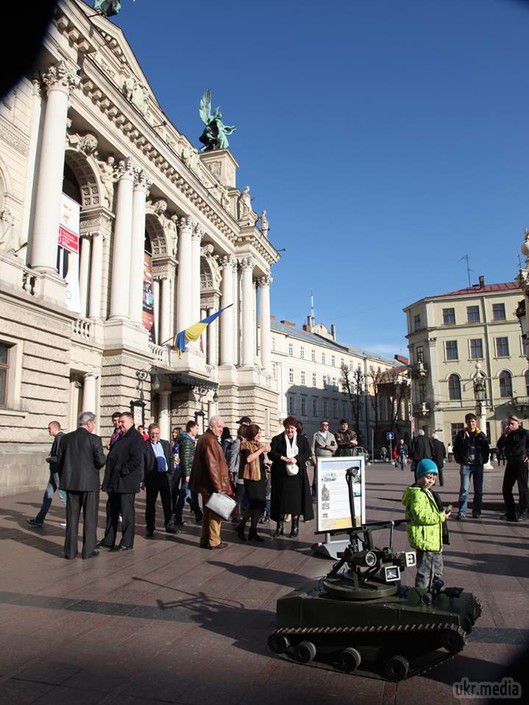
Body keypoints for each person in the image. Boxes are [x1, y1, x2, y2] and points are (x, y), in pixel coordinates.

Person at [58, 412, 106, 560]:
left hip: (71, 483)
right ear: (89, 423)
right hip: (90, 484)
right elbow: (100, 461)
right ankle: (88, 550)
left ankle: (70, 552)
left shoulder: (66, 438)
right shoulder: (95, 439)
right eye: (94, 423)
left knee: (72, 518)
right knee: (90, 518)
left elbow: (60, 461)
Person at [401, 458, 451, 589]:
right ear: (419, 476)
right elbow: (421, 516)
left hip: (433, 540)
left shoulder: (427, 492)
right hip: (425, 540)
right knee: (425, 571)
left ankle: (434, 589)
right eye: (428, 477)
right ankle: (422, 594)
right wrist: (440, 516)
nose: (431, 481)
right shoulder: (417, 494)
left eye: (433, 479)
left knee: (436, 569)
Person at [99, 412, 145, 551]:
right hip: (114, 482)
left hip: (126, 482)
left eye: (122, 421)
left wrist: (122, 471)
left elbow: (136, 460)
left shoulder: (136, 437)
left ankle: (127, 542)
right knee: (111, 511)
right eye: (119, 422)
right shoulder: (119, 436)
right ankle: (108, 540)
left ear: (131, 422)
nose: (119, 424)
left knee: (126, 513)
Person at [189, 415, 234, 550]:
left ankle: (205, 539)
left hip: (204, 483)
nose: (221, 429)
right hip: (211, 484)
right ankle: (214, 540)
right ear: (211, 426)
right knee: (215, 512)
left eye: (222, 427)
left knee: (208, 512)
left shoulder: (204, 438)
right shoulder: (211, 440)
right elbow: (213, 465)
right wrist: (218, 487)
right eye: (219, 426)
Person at [270, 416, 314, 538]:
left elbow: (307, 453)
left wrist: (296, 459)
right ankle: (279, 527)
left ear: (295, 428)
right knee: (280, 501)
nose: (290, 430)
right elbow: (271, 453)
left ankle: (295, 527)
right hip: (281, 475)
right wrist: (282, 458)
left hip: (297, 476)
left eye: (292, 428)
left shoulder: (302, 440)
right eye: (288, 428)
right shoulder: (277, 439)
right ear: (284, 427)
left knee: (296, 502)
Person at [27, 420, 66, 528]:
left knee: (63, 496)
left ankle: (72, 519)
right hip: (54, 472)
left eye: (49, 428)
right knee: (47, 496)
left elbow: (59, 458)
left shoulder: (59, 438)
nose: (48, 430)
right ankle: (39, 520)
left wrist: (49, 459)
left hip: (57, 471)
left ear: (54, 428)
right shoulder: (60, 438)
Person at [236, 424, 271, 542]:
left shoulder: (258, 444)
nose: (259, 436)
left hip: (260, 477)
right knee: (253, 505)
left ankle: (253, 531)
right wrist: (261, 450)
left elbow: (258, 460)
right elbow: (248, 459)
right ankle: (241, 527)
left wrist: (265, 464)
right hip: (250, 478)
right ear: (252, 434)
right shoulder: (245, 444)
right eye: (258, 434)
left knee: (259, 504)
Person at [453, 413, 489, 520]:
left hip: (478, 465)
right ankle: (462, 512)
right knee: (464, 489)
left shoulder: (480, 434)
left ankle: (476, 511)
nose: (471, 423)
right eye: (469, 421)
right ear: (466, 422)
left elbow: (486, 448)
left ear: (475, 422)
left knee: (478, 490)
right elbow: (456, 448)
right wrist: (459, 460)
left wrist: (484, 460)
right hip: (466, 465)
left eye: (473, 421)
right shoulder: (461, 434)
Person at [143, 423, 177, 537]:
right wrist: (142, 479)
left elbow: (170, 458)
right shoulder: (144, 445)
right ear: (148, 433)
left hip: (165, 477)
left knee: (168, 503)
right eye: (152, 434)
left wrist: (171, 473)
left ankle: (169, 525)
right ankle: (150, 527)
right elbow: (142, 463)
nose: (154, 436)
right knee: (150, 504)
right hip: (152, 477)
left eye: (157, 434)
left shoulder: (165, 444)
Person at [497, 415, 529, 522]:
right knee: (506, 488)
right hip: (511, 463)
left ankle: (524, 511)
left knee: (522, 488)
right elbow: (499, 446)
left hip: (521, 463)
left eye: (512, 423)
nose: (510, 425)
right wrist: (504, 434)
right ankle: (510, 512)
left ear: (518, 423)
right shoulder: (508, 435)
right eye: (509, 423)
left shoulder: (524, 433)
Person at [173, 420, 202, 525]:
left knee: (193, 494)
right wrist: (187, 474)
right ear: (191, 428)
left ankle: (198, 514)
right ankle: (178, 518)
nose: (197, 430)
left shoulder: (189, 440)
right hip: (189, 473)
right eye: (196, 428)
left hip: (191, 471)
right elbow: (185, 459)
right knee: (183, 495)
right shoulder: (187, 442)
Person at [228, 416, 252, 522]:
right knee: (239, 495)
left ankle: (240, 513)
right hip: (239, 472)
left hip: (246, 472)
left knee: (243, 495)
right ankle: (236, 515)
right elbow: (233, 458)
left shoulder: (247, 442)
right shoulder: (238, 442)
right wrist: (231, 471)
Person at [311, 420, 337, 496]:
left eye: (327, 425)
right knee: (316, 476)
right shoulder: (316, 435)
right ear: (321, 426)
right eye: (324, 425)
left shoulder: (331, 435)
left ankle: (328, 491)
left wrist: (329, 447)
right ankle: (315, 494)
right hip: (319, 458)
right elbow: (312, 447)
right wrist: (313, 457)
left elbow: (335, 447)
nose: (326, 426)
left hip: (329, 458)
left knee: (328, 475)